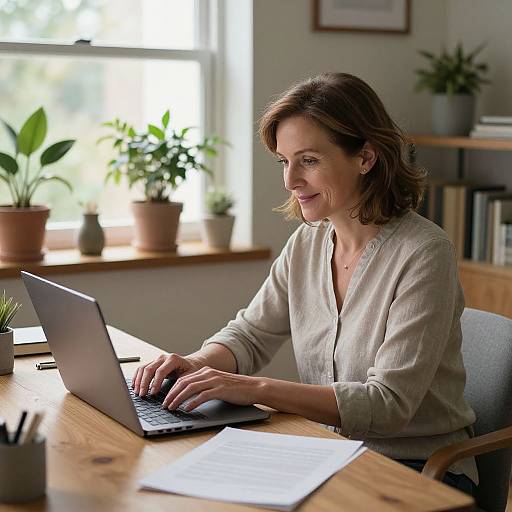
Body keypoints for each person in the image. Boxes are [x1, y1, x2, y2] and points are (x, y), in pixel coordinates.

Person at [132, 72, 477, 495]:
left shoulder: (424, 253)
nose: (290, 180)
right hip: (328, 456)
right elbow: (250, 334)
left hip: (418, 471)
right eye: (284, 160)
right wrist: (197, 364)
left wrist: (252, 388)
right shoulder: (308, 243)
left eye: (309, 161)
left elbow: (387, 406)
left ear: (365, 157)